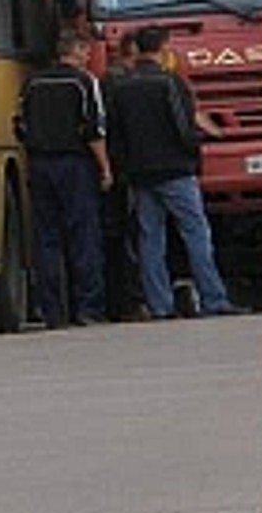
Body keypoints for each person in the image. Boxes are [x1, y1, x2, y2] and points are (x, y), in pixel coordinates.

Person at [105, 25, 246, 320]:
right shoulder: (170, 83)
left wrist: (125, 168)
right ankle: (213, 298)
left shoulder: (121, 87)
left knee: (150, 239)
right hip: (175, 169)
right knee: (195, 232)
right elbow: (183, 126)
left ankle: (159, 305)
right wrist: (193, 151)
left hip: (141, 174)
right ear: (163, 47)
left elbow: (115, 134)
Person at [16, 31, 112, 328]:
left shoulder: (32, 82)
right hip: (74, 164)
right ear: (77, 51)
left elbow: (19, 125)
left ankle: (52, 311)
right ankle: (88, 307)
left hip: (39, 164)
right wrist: (105, 168)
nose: (87, 57)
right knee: (83, 236)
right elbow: (94, 129)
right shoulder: (84, 82)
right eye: (85, 52)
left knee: (46, 239)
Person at [99, 33, 149, 322]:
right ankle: (131, 299)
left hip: (119, 166)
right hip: (127, 168)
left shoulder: (107, 81)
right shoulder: (122, 83)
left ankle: (120, 301)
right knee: (133, 234)